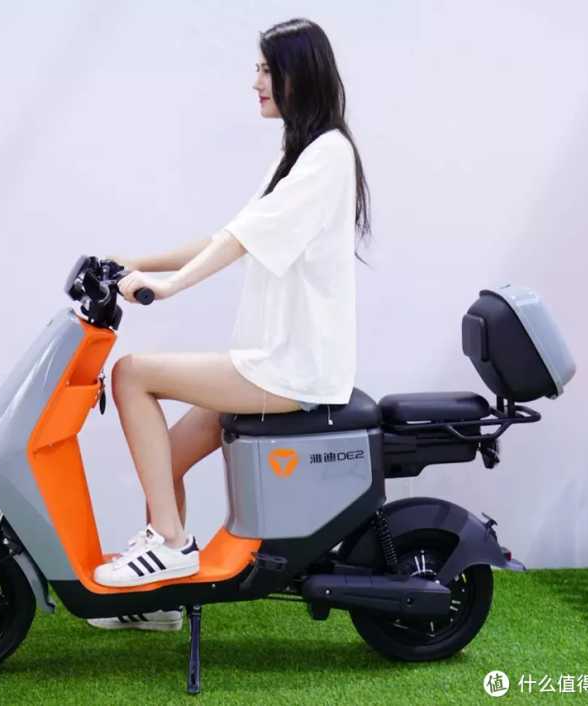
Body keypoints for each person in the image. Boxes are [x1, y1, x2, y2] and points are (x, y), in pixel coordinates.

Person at [87, 17, 371, 631]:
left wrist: (167, 287)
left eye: (267, 70)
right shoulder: (298, 155)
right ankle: (160, 600)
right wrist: (138, 263)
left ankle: (170, 545)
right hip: (269, 360)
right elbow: (229, 234)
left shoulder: (328, 155)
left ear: (300, 73)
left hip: (290, 369)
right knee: (162, 460)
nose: (256, 82)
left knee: (131, 374)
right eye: (258, 69)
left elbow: (238, 242)